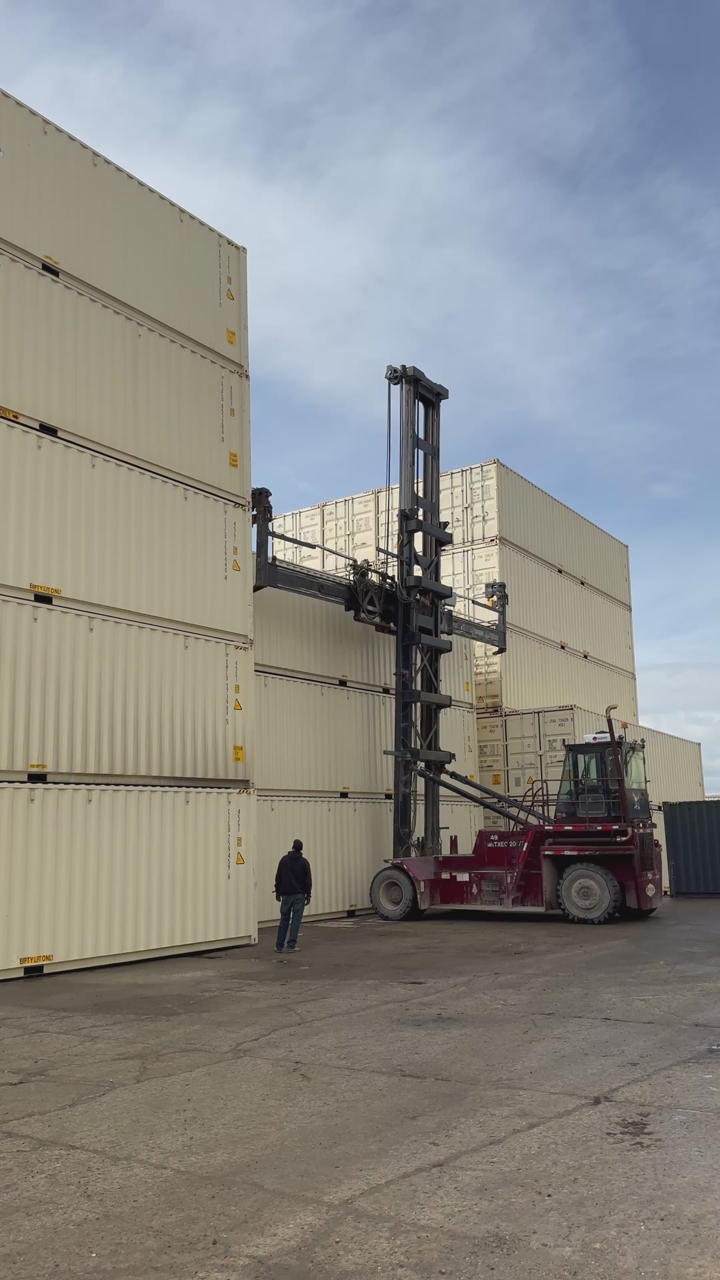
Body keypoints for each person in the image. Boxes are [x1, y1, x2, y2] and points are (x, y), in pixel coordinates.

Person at [274, 838, 312, 953]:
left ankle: (279, 946)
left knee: (284, 920)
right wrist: (308, 895)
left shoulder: (284, 860)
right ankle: (291, 945)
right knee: (296, 920)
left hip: (286, 895)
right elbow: (308, 880)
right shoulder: (304, 862)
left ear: (292, 847)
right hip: (299, 895)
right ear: (301, 849)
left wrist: (277, 892)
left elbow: (278, 877)